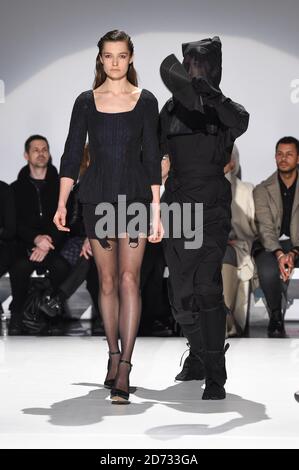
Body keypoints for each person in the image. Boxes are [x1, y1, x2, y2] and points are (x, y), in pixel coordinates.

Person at [54, 30, 162, 405]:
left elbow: (152, 160)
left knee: (131, 279)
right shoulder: (86, 102)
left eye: (121, 55)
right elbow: (70, 155)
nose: (115, 62)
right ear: (100, 60)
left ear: (131, 58)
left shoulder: (146, 101)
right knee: (107, 281)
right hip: (97, 198)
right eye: (108, 56)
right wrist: (62, 202)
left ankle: (126, 366)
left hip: (134, 198)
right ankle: (113, 354)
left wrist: (157, 211)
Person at [159, 36, 249, 399]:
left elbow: (240, 121)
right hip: (178, 203)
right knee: (181, 296)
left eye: (203, 63)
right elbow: (155, 157)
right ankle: (198, 353)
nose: (196, 69)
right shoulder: (168, 110)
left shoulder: (224, 108)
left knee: (207, 287)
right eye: (190, 62)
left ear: (214, 66)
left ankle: (215, 373)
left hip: (211, 204)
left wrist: (208, 93)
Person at [9, 135, 70, 335]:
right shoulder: (15, 189)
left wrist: (47, 241)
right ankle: (17, 315)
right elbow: (14, 223)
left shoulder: (62, 187)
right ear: (27, 155)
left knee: (61, 267)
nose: (41, 153)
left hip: (53, 246)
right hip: (26, 245)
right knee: (18, 267)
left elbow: (66, 219)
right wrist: (36, 240)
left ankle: (52, 314)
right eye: (36, 150)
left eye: (44, 149)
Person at [253, 136, 299, 338]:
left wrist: (294, 252)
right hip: (270, 245)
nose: (283, 158)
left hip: (297, 244)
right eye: (280, 154)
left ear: (298, 158)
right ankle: (275, 315)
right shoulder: (262, 189)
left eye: (289, 154)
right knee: (267, 269)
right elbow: (265, 228)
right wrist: (281, 254)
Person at [222, 145, 256, 337]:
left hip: (237, 245)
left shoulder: (246, 191)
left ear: (233, 164)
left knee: (226, 253)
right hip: (207, 246)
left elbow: (254, 229)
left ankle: (225, 321)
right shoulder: (202, 188)